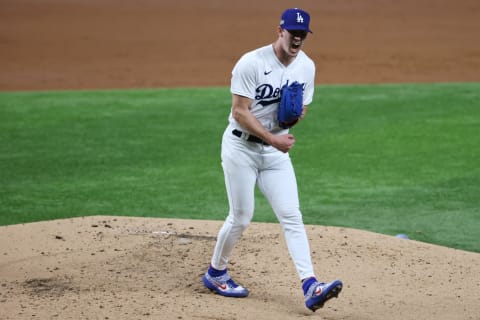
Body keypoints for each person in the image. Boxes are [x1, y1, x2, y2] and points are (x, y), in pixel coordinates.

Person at [202, 8, 343, 312]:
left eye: (303, 35)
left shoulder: (306, 67)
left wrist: (293, 118)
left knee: (291, 215)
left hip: (274, 153)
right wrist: (274, 139)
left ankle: (311, 285)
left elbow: (300, 110)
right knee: (241, 217)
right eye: (293, 33)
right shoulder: (252, 62)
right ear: (280, 30)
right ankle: (216, 273)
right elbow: (240, 111)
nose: (297, 40)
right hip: (241, 148)